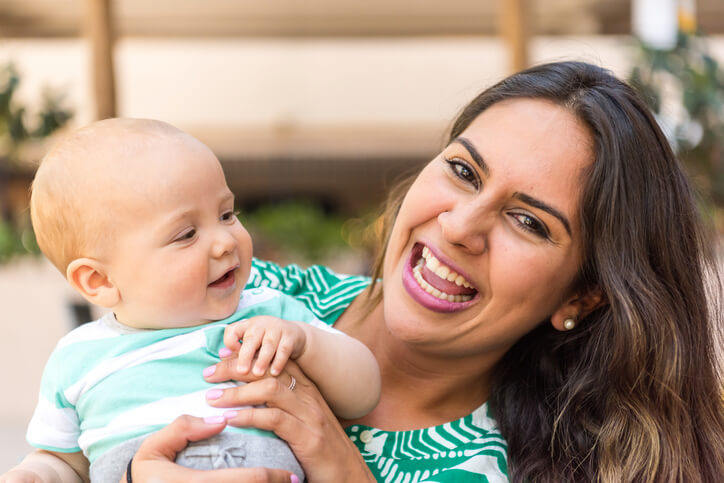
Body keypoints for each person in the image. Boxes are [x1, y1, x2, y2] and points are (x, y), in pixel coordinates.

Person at [6, 60, 724, 482]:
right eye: (464, 171)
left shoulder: (493, 466)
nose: (461, 226)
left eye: (529, 221)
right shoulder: (247, 295)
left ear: (582, 294)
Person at [0, 119, 381, 483]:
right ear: (99, 280)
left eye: (227, 214)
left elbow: (363, 391)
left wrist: (304, 340)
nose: (225, 241)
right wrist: (37, 474)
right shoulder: (78, 359)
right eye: (186, 234)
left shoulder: (269, 311)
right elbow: (65, 461)